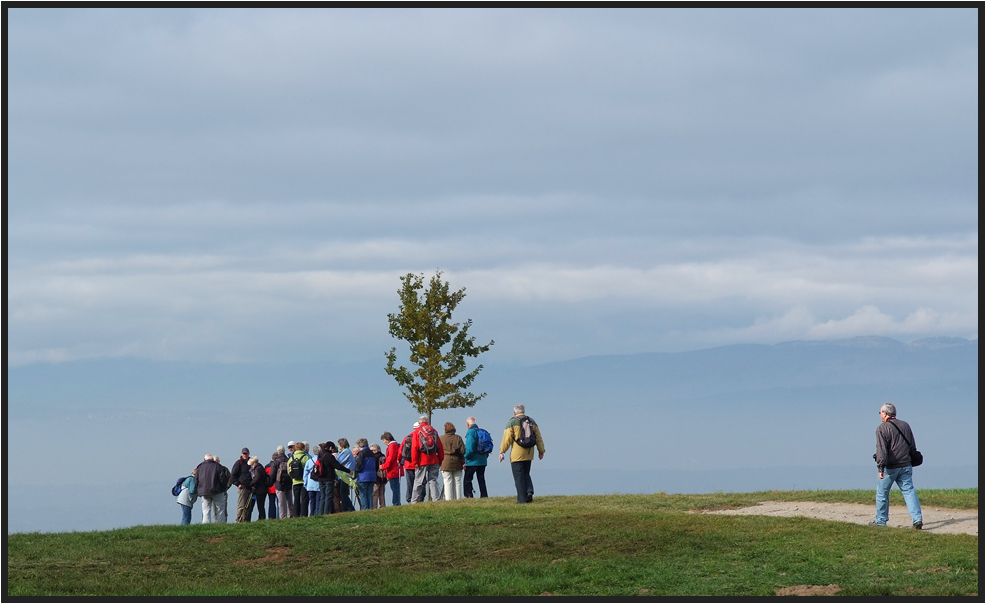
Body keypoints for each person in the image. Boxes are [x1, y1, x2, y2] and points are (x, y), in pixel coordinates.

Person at [872, 403, 924, 529]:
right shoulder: (905, 425)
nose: (880, 416)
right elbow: (912, 444)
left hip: (891, 467)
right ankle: (917, 519)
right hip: (906, 465)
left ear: (885, 413)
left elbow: (882, 450)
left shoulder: (882, 428)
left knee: (882, 494)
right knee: (909, 492)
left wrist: (880, 468)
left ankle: (880, 521)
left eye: (881, 413)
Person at [499, 404, 546, 504]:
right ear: (523, 411)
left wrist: (502, 451)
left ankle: (521, 499)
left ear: (514, 412)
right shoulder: (532, 421)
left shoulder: (512, 422)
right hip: (529, 453)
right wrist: (541, 451)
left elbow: (506, 439)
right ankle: (529, 491)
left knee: (518, 476)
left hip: (517, 454)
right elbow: (538, 437)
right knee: (526, 473)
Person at [411, 415, 444, 503]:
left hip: (421, 460)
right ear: (428, 422)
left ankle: (414, 501)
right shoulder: (434, 431)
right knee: (433, 480)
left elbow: (414, 448)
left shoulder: (417, 432)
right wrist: (440, 459)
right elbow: (439, 446)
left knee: (418, 481)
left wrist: (415, 461)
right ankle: (435, 499)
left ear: (419, 423)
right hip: (434, 459)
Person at [316, 441, 351, 515]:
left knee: (322, 496)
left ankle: (320, 513)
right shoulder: (329, 456)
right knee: (328, 496)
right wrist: (348, 471)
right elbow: (337, 466)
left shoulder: (320, 455)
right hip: (328, 478)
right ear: (331, 448)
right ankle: (326, 513)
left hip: (320, 478)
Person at [463, 416, 491, 498]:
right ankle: (484, 495)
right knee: (481, 478)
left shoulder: (471, 432)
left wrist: (466, 458)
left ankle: (468, 495)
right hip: (483, 460)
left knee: (468, 479)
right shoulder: (481, 431)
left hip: (472, 461)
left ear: (468, 424)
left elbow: (469, 448)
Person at [195, 454, 225, 523]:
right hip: (217, 491)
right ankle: (220, 524)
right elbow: (222, 479)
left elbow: (196, 480)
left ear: (204, 459)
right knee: (219, 509)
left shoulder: (200, 467)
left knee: (206, 510)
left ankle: (206, 524)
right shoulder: (217, 466)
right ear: (212, 459)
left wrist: (199, 489)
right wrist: (223, 488)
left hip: (204, 491)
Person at [440, 422, 465, 500]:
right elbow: (463, 450)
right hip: (457, 461)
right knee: (457, 481)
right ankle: (458, 498)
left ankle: (449, 499)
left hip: (445, 462)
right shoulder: (458, 438)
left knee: (447, 481)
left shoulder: (441, 438)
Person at [354, 438, 378, 511]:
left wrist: (356, 471)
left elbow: (359, 464)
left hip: (363, 476)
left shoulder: (361, 453)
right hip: (372, 476)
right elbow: (376, 465)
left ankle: (365, 509)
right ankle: (370, 508)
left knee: (363, 493)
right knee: (370, 493)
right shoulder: (372, 453)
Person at [230, 448, 253, 523]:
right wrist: (237, 484)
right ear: (241, 454)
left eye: (246, 453)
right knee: (241, 505)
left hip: (250, 487)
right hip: (242, 487)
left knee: (248, 506)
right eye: (243, 453)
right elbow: (233, 475)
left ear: (248, 454)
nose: (245, 455)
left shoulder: (251, 462)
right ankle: (238, 520)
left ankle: (246, 520)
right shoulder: (239, 463)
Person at [289, 440, 311, 518]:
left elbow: (289, 470)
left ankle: (295, 514)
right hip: (304, 481)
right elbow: (309, 468)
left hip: (295, 481)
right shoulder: (306, 457)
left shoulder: (291, 457)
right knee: (304, 499)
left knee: (296, 499)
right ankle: (303, 514)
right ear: (303, 448)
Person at [381, 432, 403, 507]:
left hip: (393, 470)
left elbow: (390, 459)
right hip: (396, 469)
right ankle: (396, 502)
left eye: (384, 440)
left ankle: (396, 503)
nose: (384, 442)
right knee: (396, 487)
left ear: (387, 439)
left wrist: (383, 466)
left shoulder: (392, 446)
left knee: (394, 488)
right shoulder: (395, 445)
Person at [336, 438, 357, 512]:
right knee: (343, 492)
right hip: (347, 474)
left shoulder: (345, 451)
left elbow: (338, 462)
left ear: (341, 445)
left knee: (343, 493)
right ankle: (345, 509)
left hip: (345, 475)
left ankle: (350, 508)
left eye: (339, 444)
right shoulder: (348, 451)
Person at [272, 446, 293, 518]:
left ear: (278, 452)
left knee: (281, 502)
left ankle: (283, 517)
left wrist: (271, 482)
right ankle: (290, 515)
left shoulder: (276, 462)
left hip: (279, 484)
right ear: (284, 451)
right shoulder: (289, 460)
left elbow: (272, 474)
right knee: (289, 501)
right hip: (289, 483)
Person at [401, 423, 419, 504]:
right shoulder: (421, 437)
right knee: (420, 482)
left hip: (408, 464)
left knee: (410, 483)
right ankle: (420, 497)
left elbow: (401, 450)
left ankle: (410, 499)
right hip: (419, 464)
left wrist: (399, 460)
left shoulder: (407, 438)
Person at [247, 456, 268, 520]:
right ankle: (261, 518)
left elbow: (257, 478)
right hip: (262, 489)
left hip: (260, 490)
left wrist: (251, 484)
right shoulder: (260, 467)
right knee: (261, 506)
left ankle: (261, 518)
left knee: (260, 506)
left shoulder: (257, 469)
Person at [305, 444, 322, 516]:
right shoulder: (321, 461)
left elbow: (305, 473)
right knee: (318, 499)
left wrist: (305, 484)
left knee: (312, 501)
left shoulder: (309, 461)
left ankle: (311, 513)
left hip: (310, 484)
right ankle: (317, 513)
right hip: (318, 483)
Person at [213, 456, 231, 522]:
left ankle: (224, 522)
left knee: (223, 508)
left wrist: (226, 487)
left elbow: (230, 478)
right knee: (215, 508)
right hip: (214, 492)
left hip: (223, 491)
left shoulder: (224, 469)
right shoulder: (211, 469)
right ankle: (216, 522)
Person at [370, 444, 387, 508]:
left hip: (376, 477)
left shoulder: (374, 457)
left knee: (375, 493)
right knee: (382, 493)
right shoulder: (383, 456)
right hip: (383, 477)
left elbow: (374, 467)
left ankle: (374, 506)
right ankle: (382, 505)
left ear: (375, 450)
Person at [264, 455, 279, 520]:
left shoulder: (267, 466)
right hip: (278, 486)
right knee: (279, 503)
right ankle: (279, 517)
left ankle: (271, 517)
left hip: (270, 487)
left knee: (271, 502)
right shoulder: (278, 465)